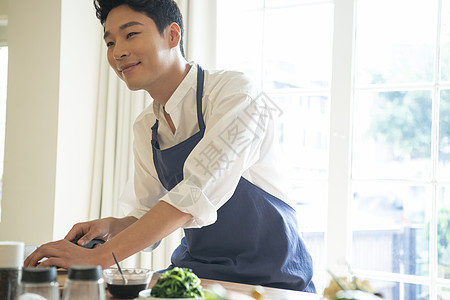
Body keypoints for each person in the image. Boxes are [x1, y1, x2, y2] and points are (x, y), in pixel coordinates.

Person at [24, 0, 316, 292]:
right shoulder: (145, 127)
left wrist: (98, 258)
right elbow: (147, 214)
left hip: (271, 278)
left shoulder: (237, 94)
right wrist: (112, 227)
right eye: (110, 42)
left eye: (130, 35)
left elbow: (194, 195)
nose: (118, 52)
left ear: (173, 35)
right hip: (197, 273)